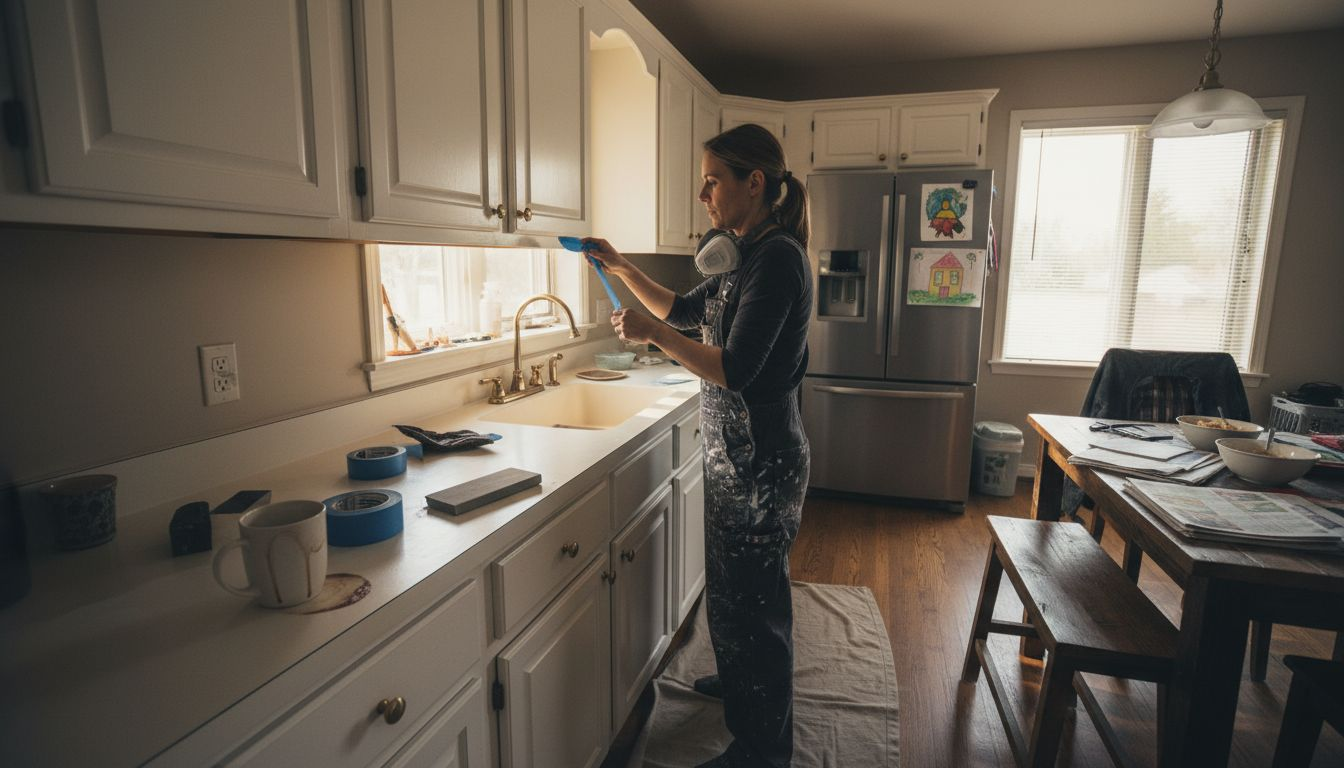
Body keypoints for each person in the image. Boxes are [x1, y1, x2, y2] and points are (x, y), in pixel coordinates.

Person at [583, 123, 812, 768]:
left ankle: (765, 746)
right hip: (734, 457)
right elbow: (685, 309)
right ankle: (742, 683)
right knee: (734, 594)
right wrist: (622, 266)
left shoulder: (777, 259)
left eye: (713, 179)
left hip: (762, 464)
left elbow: (734, 368)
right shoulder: (742, 251)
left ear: (754, 183)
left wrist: (652, 334)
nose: (703, 192)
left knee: (756, 603)